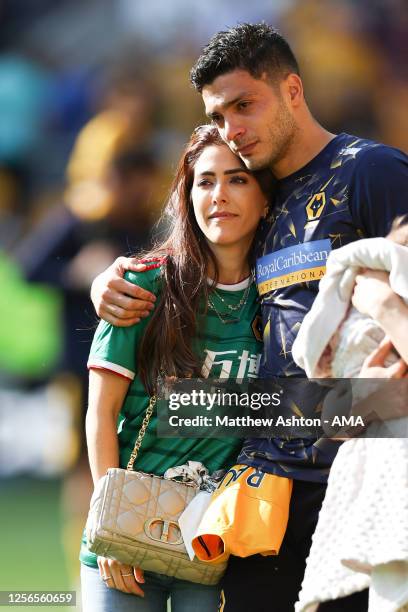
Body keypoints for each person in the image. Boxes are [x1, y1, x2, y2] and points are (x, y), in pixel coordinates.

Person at [90, 23, 408, 611]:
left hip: (355, 478)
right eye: (219, 112)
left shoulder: (372, 171)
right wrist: (108, 282)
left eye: (245, 105)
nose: (232, 130)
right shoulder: (255, 196)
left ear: (292, 91)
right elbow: (183, 265)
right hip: (264, 484)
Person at [80, 124, 275, 611]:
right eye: (204, 182)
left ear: (267, 199)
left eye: (238, 180)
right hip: (125, 539)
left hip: (213, 543)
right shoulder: (140, 286)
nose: (218, 196)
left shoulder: (282, 299)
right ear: (187, 196)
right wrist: (109, 527)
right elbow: (101, 414)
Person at [291, 218, 408, 610]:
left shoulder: (381, 299)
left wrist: (388, 308)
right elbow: (331, 419)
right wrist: (365, 398)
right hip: (379, 486)